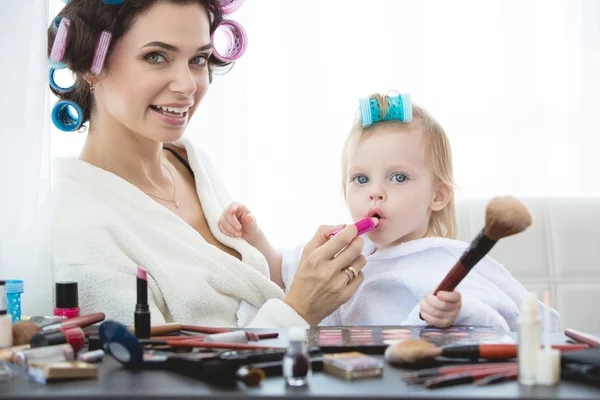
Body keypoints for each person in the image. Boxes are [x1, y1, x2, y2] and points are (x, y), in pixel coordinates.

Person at [50, 0, 366, 328]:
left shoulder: (189, 162)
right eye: (156, 56)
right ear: (91, 64)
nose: (188, 85)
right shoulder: (82, 226)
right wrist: (299, 310)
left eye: (198, 59)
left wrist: (310, 275)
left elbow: (253, 297)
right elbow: (145, 373)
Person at [219, 92, 559, 331]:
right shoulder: (348, 252)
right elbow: (285, 275)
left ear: (437, 196)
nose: (375, 192)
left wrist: (456, 310)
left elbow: (496, 318)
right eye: (360, 178)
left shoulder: (442, 259)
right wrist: (255, 237)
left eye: (398, 177)